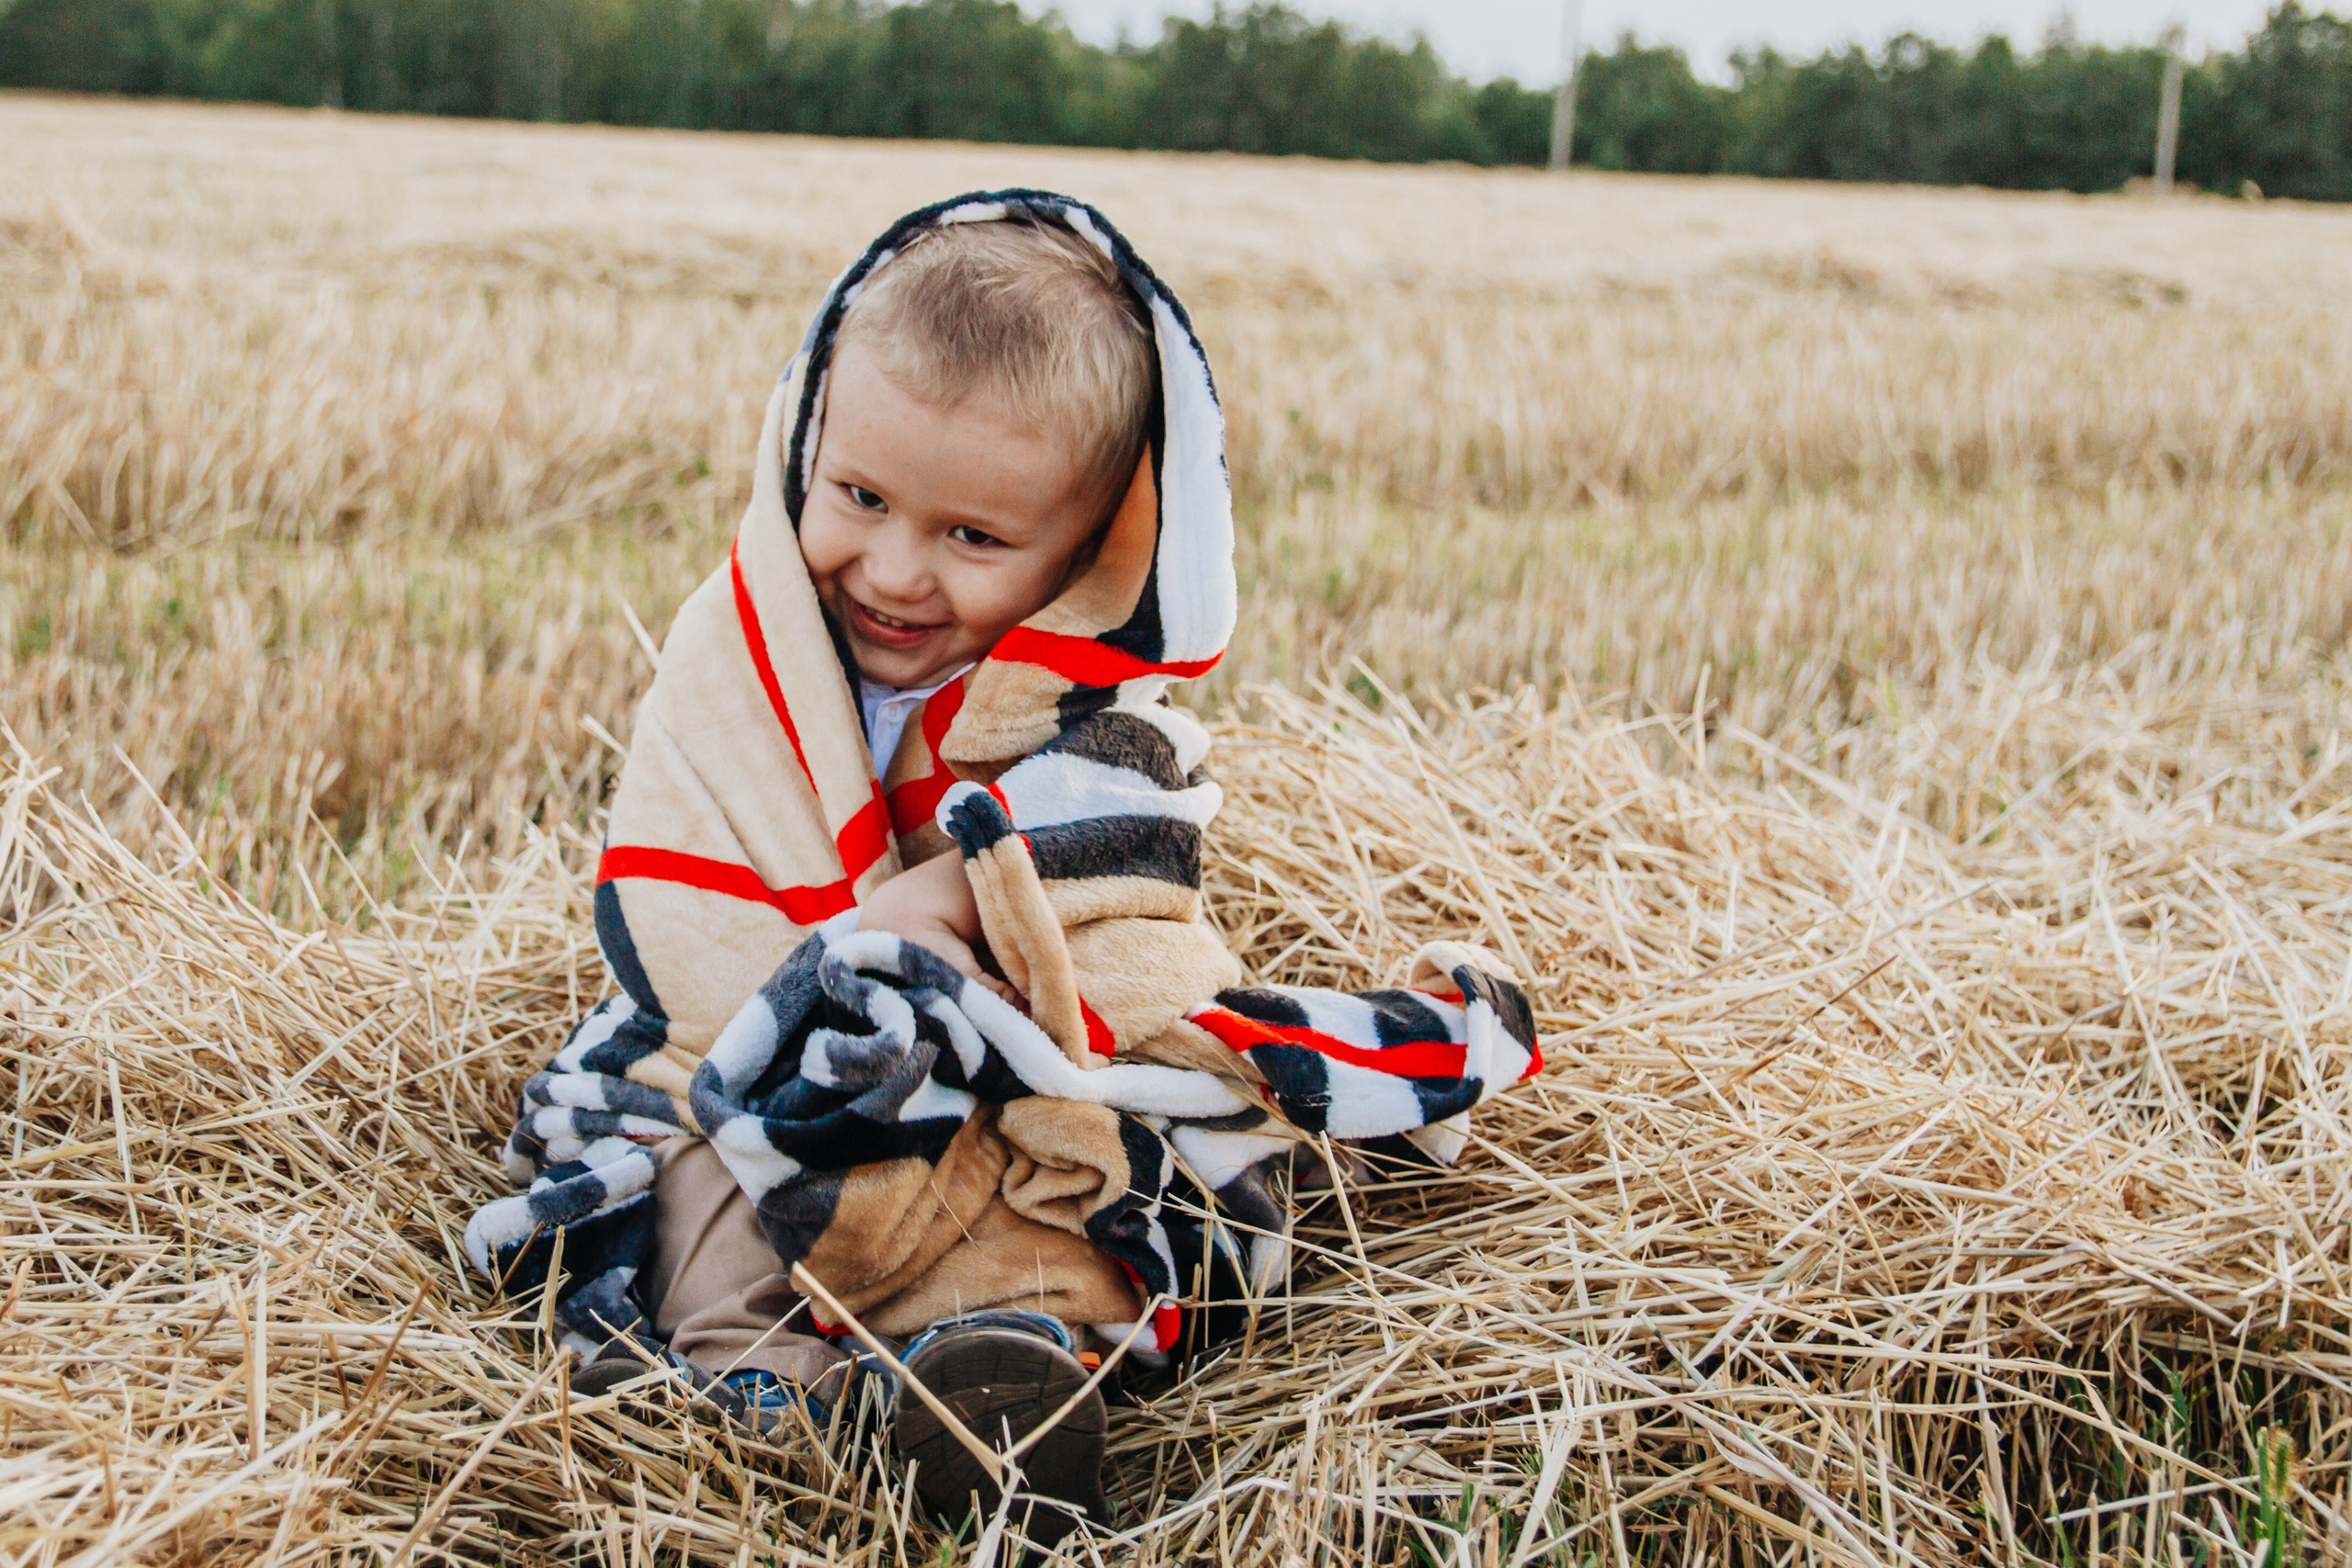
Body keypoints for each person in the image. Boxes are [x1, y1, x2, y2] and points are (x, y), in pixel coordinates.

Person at [469, 193, 1539, 1548]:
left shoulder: (1089, 718)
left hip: (981, 1089)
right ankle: (767, 1382)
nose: (895, 571)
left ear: (1093, 553)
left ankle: (1004, 1380)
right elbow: (700, 913)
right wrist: (826, 965)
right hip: (756, 1063)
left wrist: (980, 901)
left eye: (974, 540)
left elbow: (1114, 899)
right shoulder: (747, 658)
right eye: (859, 497)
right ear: (807, 443)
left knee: (1097, 1167)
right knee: (685, 1162)